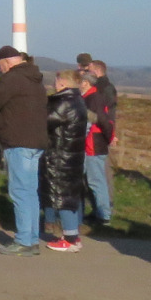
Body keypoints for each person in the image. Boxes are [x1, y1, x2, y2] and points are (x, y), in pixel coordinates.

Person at [0, 45, 49, 255]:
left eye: (0, 65)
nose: (0, 69)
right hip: (36, 141)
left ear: (8, 62)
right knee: (30, 192)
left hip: (18, 141)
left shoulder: (12, 79)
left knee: (19, 191)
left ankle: (22, 240)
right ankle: (31, 238)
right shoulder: (36, 80)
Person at [41, 70, 89, 252]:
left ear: (62, 83)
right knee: (70, 196)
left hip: (61, 156)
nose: (53, 84)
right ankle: (73, 236)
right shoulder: (77, 100)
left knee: (63, 198)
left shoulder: (64, 102)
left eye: (56, 80)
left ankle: (69, 238)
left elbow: (45, 121)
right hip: (72, 154)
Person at [79, 68, 115, 225]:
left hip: (93, 144)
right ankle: (97, 212)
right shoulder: (91, 96)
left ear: (86, 83)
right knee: (91, 181)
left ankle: (103, 215)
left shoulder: (93, 98)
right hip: (94, 143)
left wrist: (108, 137)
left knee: (96, 181)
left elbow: (102, 120)